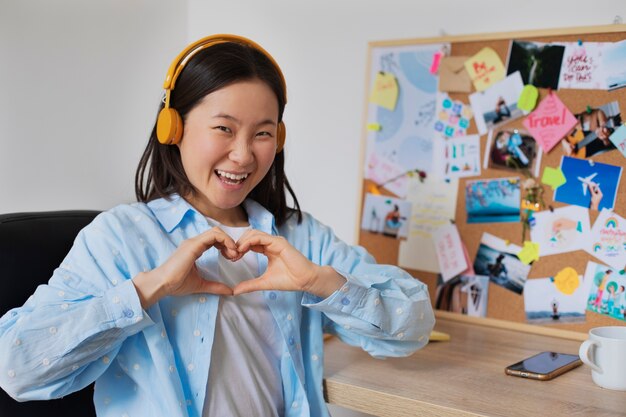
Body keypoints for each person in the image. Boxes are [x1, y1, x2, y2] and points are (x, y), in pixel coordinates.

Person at [0, 35, 435, 417]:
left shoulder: (302, 236)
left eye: (263, 133)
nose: (244, 155)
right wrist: (148, 289)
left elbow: (413, 326)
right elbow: (17, 370)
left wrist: (322, 283)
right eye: (223, 128)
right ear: (174, 128)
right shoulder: (118, 238)